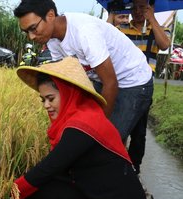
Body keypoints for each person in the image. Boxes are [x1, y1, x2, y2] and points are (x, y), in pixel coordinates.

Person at [14, 57, 150, 199]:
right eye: (43, 100)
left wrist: (9, 192)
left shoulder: (83, 124)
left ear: (69, 93)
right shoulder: (79, 118)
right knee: (42, 194)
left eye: (50, 98)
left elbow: (49, 167)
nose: (46, 105)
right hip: (97, 197)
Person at [13, 0, 153, 147]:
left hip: (134, 81)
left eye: (33, 28)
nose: (31, 36)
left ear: (50, 15)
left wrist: (96, 129)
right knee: (87, 129)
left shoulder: (84, 32)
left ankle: (124, 166)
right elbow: (67, 80)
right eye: (26, 32)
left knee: (106, 139)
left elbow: (111, 83)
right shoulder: (53, 40)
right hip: (102, 80)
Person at [118, 0, 170, 175]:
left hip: (143, 88)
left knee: (139, 132)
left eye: (142, 7)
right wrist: (112, 15)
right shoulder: (122, 28)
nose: (138, 11)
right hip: (123, 85)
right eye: (134, 7)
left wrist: (152, 19)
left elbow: (164, 45)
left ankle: (134, 168)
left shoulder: (156, 29)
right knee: (120, 126)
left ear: (151, 8)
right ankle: (118, 164)